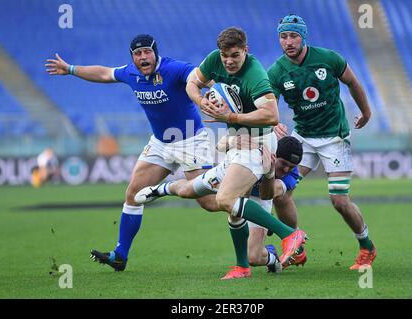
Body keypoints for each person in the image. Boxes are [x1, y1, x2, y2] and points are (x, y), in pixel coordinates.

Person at [136, 27, 307, 280]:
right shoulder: (215, 60)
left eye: (235, 55)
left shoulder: (255, 76)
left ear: (245, 51)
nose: (229, 61)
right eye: (225, 55)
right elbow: (192, 83)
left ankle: (289, 234)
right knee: (192, 192)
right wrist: (201, 102)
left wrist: (229, 117)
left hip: (257, 145)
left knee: (226, 199)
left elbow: (272, 116)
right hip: (238, 147)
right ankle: (161, 190)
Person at [45, 34, 218, 271]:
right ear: (132, 57)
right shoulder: (130, 73)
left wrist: (214, 89)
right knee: (134, 195)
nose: (143, 57)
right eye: (138, 54)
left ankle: (248, 203)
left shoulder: (174, 69)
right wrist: (71, 69)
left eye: (147, 52)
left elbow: (197, 76)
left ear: (156, 53)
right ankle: (120, 255)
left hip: (190, 141)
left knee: (209, 203)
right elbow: (104, 73)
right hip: (160, 143)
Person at [267, 14, 376, 270]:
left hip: (335, 137)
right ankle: (294, 245)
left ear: (304, 37)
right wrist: (274, 122)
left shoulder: (328, 58)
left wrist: (367, 112)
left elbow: (352, 82)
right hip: (303, 138)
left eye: (293, 35)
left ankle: (367, 246)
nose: (288, 41)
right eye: (283, 36)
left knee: (339, 201)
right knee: (280, 192)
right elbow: (268, 104)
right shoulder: (277, 71)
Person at [136, 135, 305, 274]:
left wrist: (269, 173)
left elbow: (266, 194)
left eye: (291, 167)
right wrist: (233, 142)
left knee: (254, 257)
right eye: (283, 164)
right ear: (275, 154)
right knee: (187, 192)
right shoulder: (261, 144)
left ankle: (272, 259)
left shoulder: (292, 176)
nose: (286, 170)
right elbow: (220, 144)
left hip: (258, 197)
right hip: (228, 174)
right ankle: (160, 189)